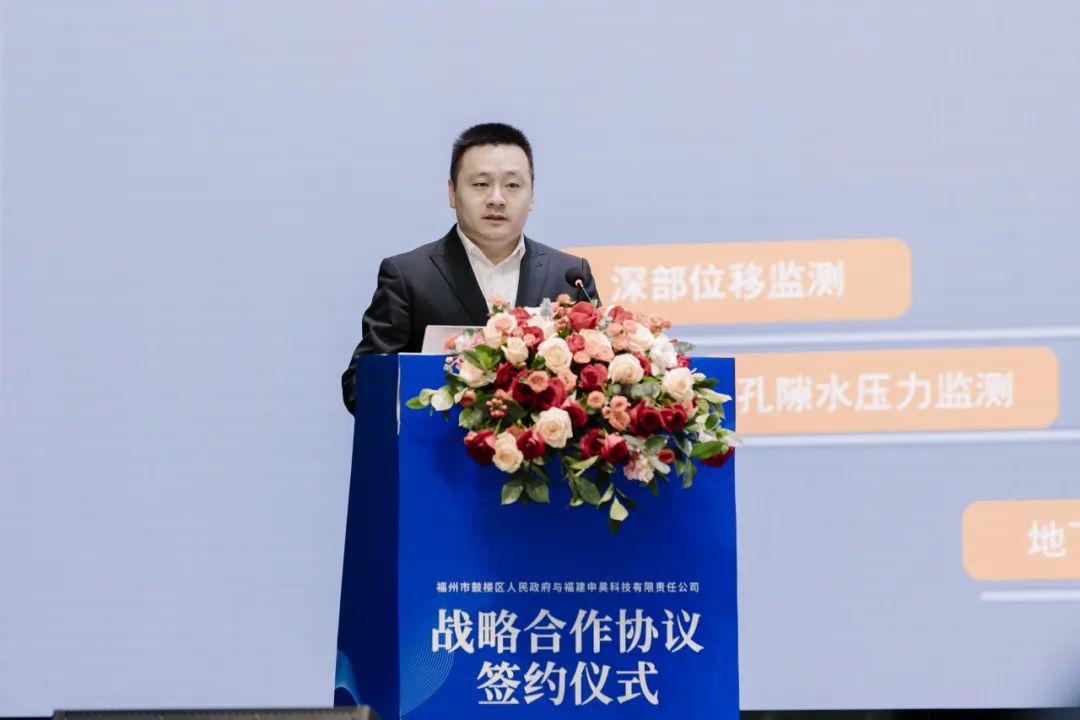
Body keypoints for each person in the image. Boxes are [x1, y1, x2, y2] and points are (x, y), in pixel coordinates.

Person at [341, 122, 599, 414]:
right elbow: (360, 386)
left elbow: (599, 379)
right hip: (438, 440)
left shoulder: (569, 277)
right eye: (480, 184)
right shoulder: (408, 277)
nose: (496, 199)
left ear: (532, 195)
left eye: (512, 185)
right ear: (452, 192)